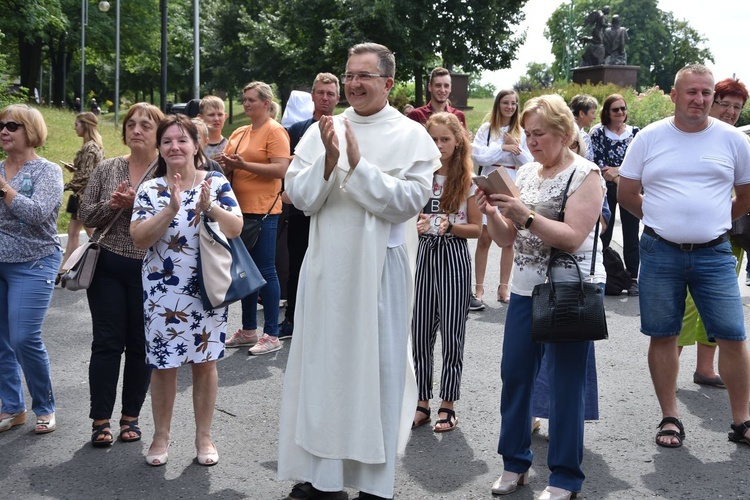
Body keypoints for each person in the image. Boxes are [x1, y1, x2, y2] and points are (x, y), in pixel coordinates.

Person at [278, 42, 440, 500]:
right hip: (328, 268)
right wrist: (330, 161)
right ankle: (322, 478)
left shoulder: (410, 135)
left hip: (379, 276)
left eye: (364, 76)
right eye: (349, 75)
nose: (353, 84)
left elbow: (409, 201)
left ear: (388, 83)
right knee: (323, 370)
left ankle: (372, 483)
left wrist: (359, 164)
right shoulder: (321, 130)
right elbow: (301, 198)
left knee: (378, 372)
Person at [477, 95, 605, 500]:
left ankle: (565, 476)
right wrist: (493, 213)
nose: (531, 142)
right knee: (515, 376)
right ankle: (515, 463)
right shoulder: (528, 171)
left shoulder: (587, 174)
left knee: (567, 384)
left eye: (540, 134)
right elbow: (507, 240)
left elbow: (572, 236)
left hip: (569, 291)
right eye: (527, 133)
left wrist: (525, 214)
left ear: (564, 133)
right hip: (524, 289)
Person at [618, 64, 750, 449]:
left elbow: (746, 195)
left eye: (707, 93)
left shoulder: (733, 139)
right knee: (664, 335)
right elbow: (627, 193)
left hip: (715, 253)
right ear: (674, 96)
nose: (700, 99)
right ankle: (670, 417)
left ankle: (742, 420)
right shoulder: (650, 138)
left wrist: (715, 221)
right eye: (691, 92)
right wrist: (660, 220)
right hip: (660, 252)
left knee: (733, 335)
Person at [130, 115, 242, 466]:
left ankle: (204, 437)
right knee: (164, 365)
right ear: (160, 149)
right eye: (167, 142)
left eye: (182, 140)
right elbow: (139, 238)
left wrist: (208, 206)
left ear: (197, 145)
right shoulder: (150, 189)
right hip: (163, 292)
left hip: (206, 287)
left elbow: (236, 227)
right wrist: (171, 210)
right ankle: (160, 436)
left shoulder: (216, 181)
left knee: (205, 364)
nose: (174, 147)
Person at [78, 103, 164, 447]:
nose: (137, 129)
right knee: (107, 343)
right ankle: (101, 420)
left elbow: (178, 222)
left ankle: (131, 417)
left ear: (159, 133)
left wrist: (139, 207)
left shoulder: (168, 171)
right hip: (108, 267)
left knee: (140, 346)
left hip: (152, 268)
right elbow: (86, 214)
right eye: (131, 124)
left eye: (146, 124)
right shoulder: (107, 168)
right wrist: (113, 205)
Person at [411, 112, 482, 433]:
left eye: (445, 140)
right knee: (420, 331)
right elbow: (408, 218)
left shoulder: (467, 179)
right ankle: (421, 401)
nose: (439, 146)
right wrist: (417, 225)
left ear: (458, 142)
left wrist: (447, 225)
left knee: (453, 334)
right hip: (424, 255)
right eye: (434, 139)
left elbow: (477, 229)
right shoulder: (420, 175)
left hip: (454, 256)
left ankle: (448, 404)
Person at [677, 78, 748, 389]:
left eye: (738, 107)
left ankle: (705, 369)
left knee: (718, 305)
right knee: (687, 302)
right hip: (693, 234)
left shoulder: (739, 140)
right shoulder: (694, 135)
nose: (731, 112)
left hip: (733, 233)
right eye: (725, 104)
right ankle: (669, 364)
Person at [0, 104, 63, 435]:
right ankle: (11, 407)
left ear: (31, 131)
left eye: (13, 125)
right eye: (1, 126)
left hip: (34, 262)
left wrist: (4, 188)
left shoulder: (47, 172)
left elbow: (37, 214)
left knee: (24, 338)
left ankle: (44, 406)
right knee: (1, 342)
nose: (4, 131)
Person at [216, 82, 291, 355]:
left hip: (264, 211)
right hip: (237, 210)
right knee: (244, 270)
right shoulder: (239, 131)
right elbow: (233, 164)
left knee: (265, 271)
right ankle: (248, 329)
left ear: (265, 103)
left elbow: (281, 168)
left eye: (251, 100)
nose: (246, 104)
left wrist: (242, 164)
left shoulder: (275, 130)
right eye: (244, 99)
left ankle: (270, 332)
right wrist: (223, 164)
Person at [278, 72, 340, 340]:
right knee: (298, 263)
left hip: (333, 209)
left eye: (330, 94)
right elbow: (288, 170)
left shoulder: (345, 128)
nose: (325, 98)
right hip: (301, 210)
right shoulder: (296, 130)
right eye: (320, 93)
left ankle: (327, 318)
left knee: (331, 266)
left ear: (338, 98)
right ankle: (292, 316)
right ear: (312, 95)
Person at [471, 89, 532, 309]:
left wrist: (515, 150)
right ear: (498, 104)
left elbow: (529, 161)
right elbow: (479, 155)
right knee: (485, 236)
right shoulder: (487, 129)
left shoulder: (521, 131)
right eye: (506, 103)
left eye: (514, 103)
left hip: (512, 180)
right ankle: (478, 287)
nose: (510, 107)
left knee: (509, 238)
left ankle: (504, 286)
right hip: (489, 179)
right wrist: (503, 147)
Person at [589, 93, 639, 296]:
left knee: (631, 233)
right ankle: (604, 274)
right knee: (604, 232)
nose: (620, 113)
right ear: (607, 112)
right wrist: (618, 174)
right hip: (605, 188)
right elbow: (600, 165)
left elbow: (639, 162)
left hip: (631, 188)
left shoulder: (635, 133)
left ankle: (634, 277)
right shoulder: (598, 134)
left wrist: (618, 172)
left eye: (623, 109)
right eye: (615, 109)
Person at [59, 112, 104, 279]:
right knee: (73, 232)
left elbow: (87, 176)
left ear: (85, 125)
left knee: (93, 234)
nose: (74, 127)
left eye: (77, 124)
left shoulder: (90, 148)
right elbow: (88, 171)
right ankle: (64, 269)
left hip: (86, 197)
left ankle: (104, 263)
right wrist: (75, 169)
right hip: (83, 195)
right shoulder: (94, 146)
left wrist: (65, 186)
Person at [569, 95, 598, 161]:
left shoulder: (585, 136)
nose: (595, 117)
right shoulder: (566, 134)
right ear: (582, 114)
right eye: (592, 113)